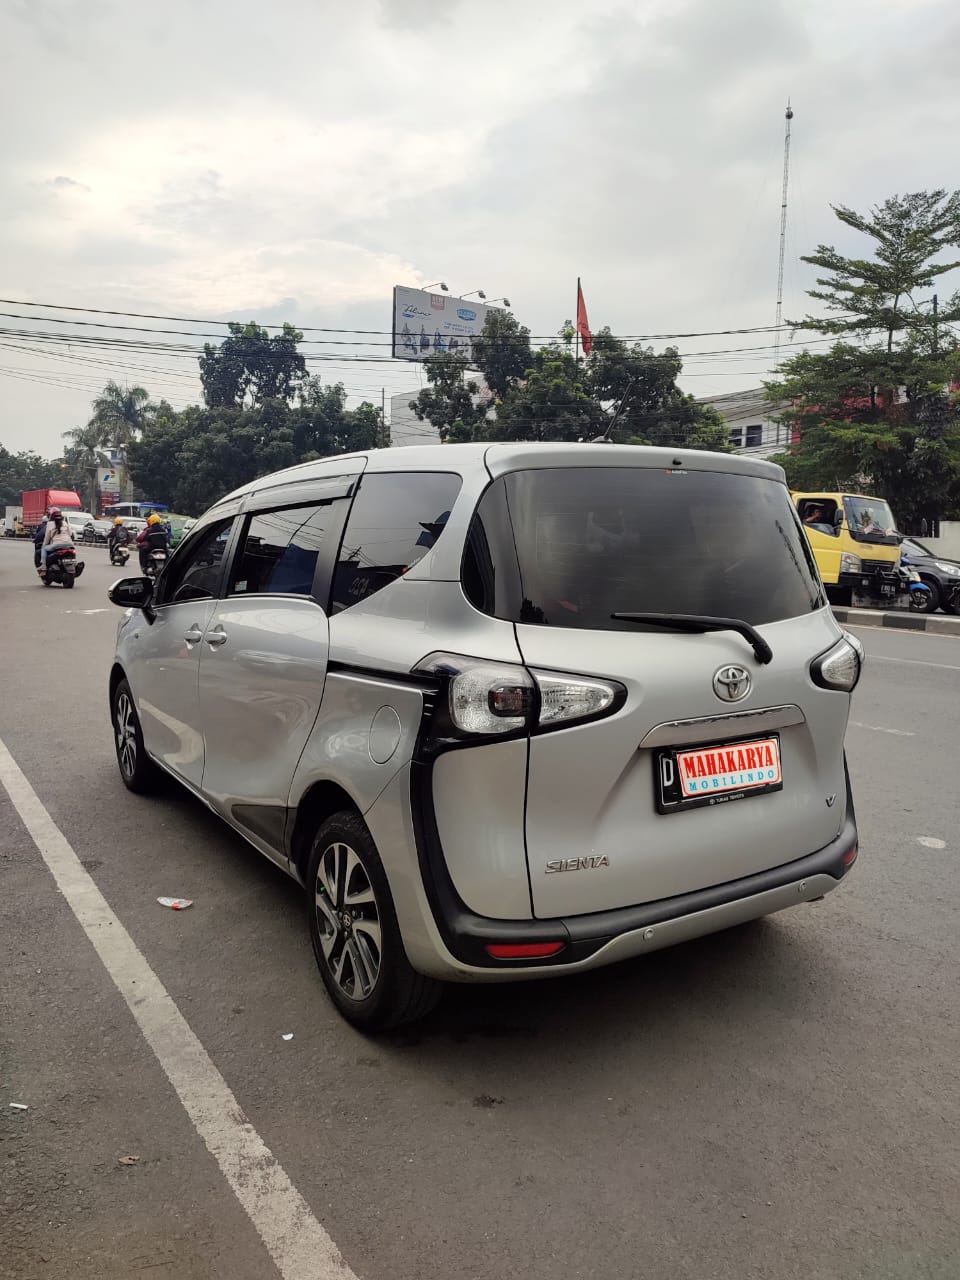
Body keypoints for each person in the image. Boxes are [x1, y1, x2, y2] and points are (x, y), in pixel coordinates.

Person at [40, 507, 75, 572]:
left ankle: (44, 566)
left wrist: (45, 544)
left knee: (44, 548)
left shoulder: (49, 524)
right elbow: (70, 534)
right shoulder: (65, 523)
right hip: (70, 544)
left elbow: (46, 539)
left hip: (57, 545)